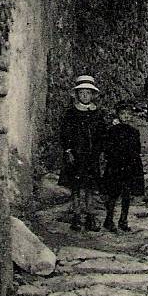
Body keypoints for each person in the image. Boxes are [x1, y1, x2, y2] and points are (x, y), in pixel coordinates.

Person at [58, 75, 107, 231]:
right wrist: (68, 150)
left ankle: (91, 216)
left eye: (87, 93)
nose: (84, 96)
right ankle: (77, 215)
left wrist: (101, 151)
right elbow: (65, 134)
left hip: (92, 155)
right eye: (81, 93)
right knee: (77, 186)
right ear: (77, 94)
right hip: (76, 154)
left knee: (91, 187)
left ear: (92, 95)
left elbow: (102, 134)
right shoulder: (71, 114)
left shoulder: (98, 114)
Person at [102, 101, 145, 233]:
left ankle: (123, 220)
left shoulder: (134, 132)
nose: (126, 116)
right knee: (113, 194)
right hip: (115, 166)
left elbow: (136, 149)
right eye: (123, 114)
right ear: (118, 115)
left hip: (129, 167)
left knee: (126, 193)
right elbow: (108, 148)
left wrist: (135, 165)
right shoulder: (112, 131)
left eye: (128, 114)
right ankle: (108, 219)